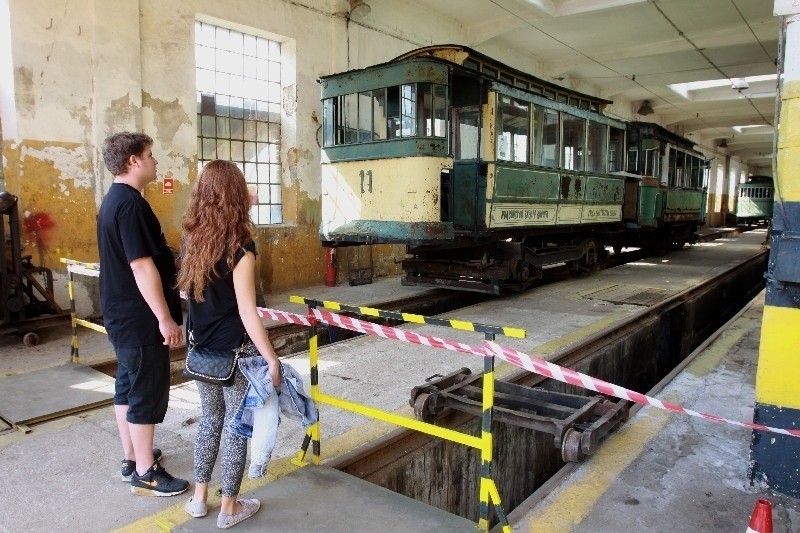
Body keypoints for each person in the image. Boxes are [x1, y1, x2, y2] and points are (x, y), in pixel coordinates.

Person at [176, 160, 281, 529]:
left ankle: (199, 500)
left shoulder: (191, 236)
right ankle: (230, 508)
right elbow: (248, 311)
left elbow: (189, 294)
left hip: (202, 350)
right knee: (238, 426)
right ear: (237, 196)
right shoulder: (240, 245)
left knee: (210, 421)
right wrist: (272, 359)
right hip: (236, 352)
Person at [97, 132, 189, 496]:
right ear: (133, 160)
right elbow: (141, 267)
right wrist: (165, 318)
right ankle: (146, 472)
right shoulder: (131, 205)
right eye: (150, 155)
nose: (155, 162)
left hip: (120, 313)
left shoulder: (113, 201)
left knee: (127, 385)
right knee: (146, 391)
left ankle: (132, 456)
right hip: (139, 316)